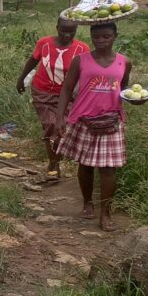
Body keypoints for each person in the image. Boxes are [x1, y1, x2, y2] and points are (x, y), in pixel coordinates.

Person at [58, 21, 133, 231]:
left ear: (115, 36)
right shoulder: (80, 61)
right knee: (86, 165)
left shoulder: (124, 62)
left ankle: (106, 214)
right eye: (97, 37)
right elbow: (66, 89)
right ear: (91, 37)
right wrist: (59, 118)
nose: (101, 41)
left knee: (109, 170)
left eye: (106, 36)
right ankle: (87, 202)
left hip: (111, 120)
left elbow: (124, 89)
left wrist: (135, 98)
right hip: (84, 119)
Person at [16, 19, 88, 178]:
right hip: (42, 92)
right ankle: (53, 162)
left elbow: (85, 73)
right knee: (50, 125)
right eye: (63, 30)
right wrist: (21, 78)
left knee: (64, 127)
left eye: (71, 32)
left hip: (67, 95)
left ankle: (59, 154)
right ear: (57, 28)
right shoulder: (45, 43)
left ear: (76, 30)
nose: (67, 35)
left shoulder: (82, 49)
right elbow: (33, 60)